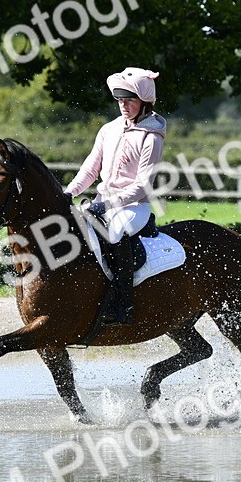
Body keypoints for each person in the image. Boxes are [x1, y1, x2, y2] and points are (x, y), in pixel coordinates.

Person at [64, 66, 166, 326]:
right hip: (102, 202)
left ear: (144, 102)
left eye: (129, 100)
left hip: (134, 206)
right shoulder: (109, 129)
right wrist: (70, 192)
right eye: (120, 100)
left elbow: (143, 186)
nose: (123, 105)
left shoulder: (151, 138)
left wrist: (109, 203)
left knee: (115, 232)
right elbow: (90, 168)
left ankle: (123, 304)